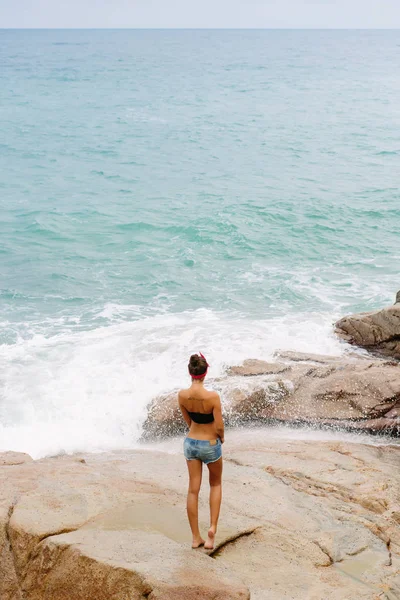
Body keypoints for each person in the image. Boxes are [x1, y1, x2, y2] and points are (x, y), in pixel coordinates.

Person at [178, 353, 224, 550]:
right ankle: (212, 531)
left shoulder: (182, 395)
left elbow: (188, 421)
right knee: (215, 484)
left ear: (190, 372)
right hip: (210, 443)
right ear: (205, 373)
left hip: (191, 442)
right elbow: (220, 426)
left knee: (192, 490)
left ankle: (196, 537)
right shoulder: (212, 397)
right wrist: (221, 437)